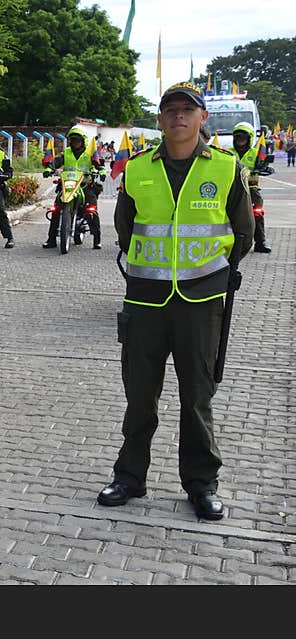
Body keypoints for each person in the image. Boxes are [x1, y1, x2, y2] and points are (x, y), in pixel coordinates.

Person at [98, 82, 254, 521]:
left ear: (203, 118)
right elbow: (125, 228)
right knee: (140, 395)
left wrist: (209, 273)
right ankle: (130, 477)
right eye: (170, 110)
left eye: (188, 110)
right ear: (161, 119)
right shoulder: (138, 168)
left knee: (197, 397)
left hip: (201, 302)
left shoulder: (227, 168)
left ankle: (202, 484)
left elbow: (243, 233)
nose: (178, 117)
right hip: (146, 300)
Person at [42, 125, 105, 249]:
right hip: (67, 184)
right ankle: (51, 239)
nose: (75, 142)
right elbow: (56, 162)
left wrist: (101, 171)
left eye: (78, 140)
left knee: (92, 210)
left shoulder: (90, 152)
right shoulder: (66, 153)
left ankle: (97, 239)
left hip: (84, 185)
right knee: (55, 209)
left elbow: (98, 164)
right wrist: (49, 168)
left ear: (83, 141)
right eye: (73, 140)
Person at [231, 121, 272, 253]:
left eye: (243, 137)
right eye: (237, 137)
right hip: (233, 188)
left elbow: (264, 165)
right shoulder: (228, 153)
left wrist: (265, 167)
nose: (240, 140)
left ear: (249, 138)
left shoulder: (256, 153)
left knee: (258, 213)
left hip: (251, 188)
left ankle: (260, 243)